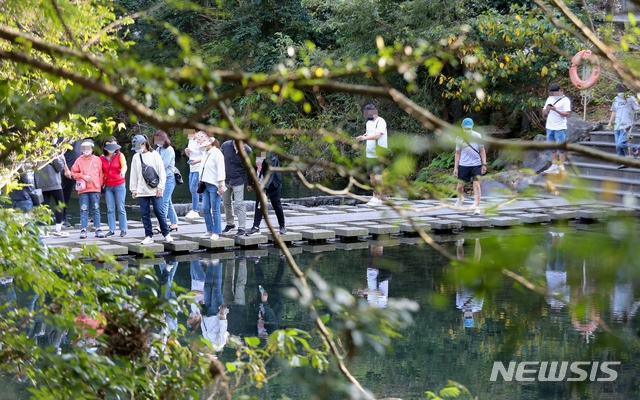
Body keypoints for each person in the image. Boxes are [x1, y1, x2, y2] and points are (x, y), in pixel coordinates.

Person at [129, 134, 174, 245]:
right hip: (142, 190)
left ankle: (166, 233)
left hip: (154, 189)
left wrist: (160, 187)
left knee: (159, 211)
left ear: (144, 144)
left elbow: (161, 172)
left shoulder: (155, 155)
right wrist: (133, 189)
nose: (137, 150)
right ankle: (148, 235)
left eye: (138, 146)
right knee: (145, 214)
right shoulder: (136, 157)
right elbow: (133, 174)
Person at [70, 140, 105, 239]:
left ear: (92, 149)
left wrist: (99, 186)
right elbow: (74, 173)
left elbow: (100, 174)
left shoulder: (98, 160)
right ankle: (83, 229)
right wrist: (82, 176)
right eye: (83, 149)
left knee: (96, 208)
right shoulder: (78, 160)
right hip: (83, 190)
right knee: (84, 209)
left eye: (88, 148)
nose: (86, 151)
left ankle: (98, 229)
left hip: (95, 189)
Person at [356, 104, 388, 206]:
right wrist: (363, 136)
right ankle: (375, 196)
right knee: (372, 176)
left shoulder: (381, 121)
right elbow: (368, 134)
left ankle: (379, 198)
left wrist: (364, 138)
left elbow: (378, 135)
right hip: (369, 153)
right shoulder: (368, 123)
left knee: (378, 176)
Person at [246, 152, 286, 235]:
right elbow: (251, 169)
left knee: (276, 203)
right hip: (260, 183)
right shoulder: (254, 154)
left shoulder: (271, 157)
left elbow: (269, 174)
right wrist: (250, 183)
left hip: (273, 183)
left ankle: (282, 226)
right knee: (259, 204)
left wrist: (263, 190)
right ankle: (256, 227)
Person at [196, 132, 226, 241]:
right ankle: (209, 230)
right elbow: (202, 168)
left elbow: (221, 170)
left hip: (215, 185)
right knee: (205, 208)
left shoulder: (217, 153)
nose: (203, 147)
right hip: (205, 184)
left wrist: (220, 185)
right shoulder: (205, 153)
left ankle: (216, 231)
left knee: (215, 209)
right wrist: (199, 183)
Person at [453, 118, 487, 215]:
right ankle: (460, 200)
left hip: (476, 164)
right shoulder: (459, 137)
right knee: (460, 186)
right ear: (462, 127)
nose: (467, 130)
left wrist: (484, 164)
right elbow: (457, 153)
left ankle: (477, 206)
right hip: (463, 164)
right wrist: (456, 167)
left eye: (469, 128)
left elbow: (482, 150)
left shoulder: (477, 136)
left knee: (476, 184)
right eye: (466, 128)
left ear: (472, 126)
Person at [221, 139, 252, 236]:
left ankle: (242, 227)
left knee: (239, 204)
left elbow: (250, 168)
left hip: (238, 179)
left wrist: (250, 183)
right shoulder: (225, 145)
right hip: (225, 179)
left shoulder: (248, 150)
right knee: (226, 203)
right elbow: (219, 161)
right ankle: (230, 224)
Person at [100, 137, 128, 237]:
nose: (112, 149)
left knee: (121, 207)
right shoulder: (101, 158)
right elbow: (100, 172)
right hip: (107, 186)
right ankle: (111, 229)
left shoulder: (120, 155)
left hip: (119, 184)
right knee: (110, 208)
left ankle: (123, 229)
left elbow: (124, 165)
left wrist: (122, 172)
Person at [607, 83, 640, 169]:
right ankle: (623, 162)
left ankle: (635, 148)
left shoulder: (631, 99)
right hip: (617, 124)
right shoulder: (616, 99)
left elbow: (637, 109)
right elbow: (614, 111)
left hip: (626, 125)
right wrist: (610, 122)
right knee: (618, 146)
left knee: (621, 144)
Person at [35, 154, 68, 237]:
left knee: (44, 206)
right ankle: (58, 229)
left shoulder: (37, 150)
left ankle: (43, 231)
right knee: (60, 204)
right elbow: (59, 167)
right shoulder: (54, 151)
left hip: (41, 183)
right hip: (54, 183)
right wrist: (59, 156)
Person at [152, 130, 179, 233]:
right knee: (168, 201)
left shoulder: (169, 150)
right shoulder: (158, 149)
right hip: (161, 178)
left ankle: (159, 225)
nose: (157, 142)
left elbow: (163, 164)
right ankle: (174, 223)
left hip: (169, 178)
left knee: (164, 202)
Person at [542, 83, 571, 174]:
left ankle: (561, 166)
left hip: (560, 127)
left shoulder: (565, 100)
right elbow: (544, 112)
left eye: (555, 92)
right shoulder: (549, 98)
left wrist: (555, 110)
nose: (554, 94)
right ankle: (554, 165)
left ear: (559, 90)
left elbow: (567, 114)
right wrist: (547, 109)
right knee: (552, 147)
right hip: (550, 126)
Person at [61, 140, 82, 227]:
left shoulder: (82, 135)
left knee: (84, 193)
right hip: (68, 171)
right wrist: (66, 169)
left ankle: (86, 216)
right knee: (65, 195)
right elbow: (60, 154)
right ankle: (62, 218)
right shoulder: (65, 136)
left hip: (80, 171)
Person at [185, 130, 204, 219]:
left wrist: (196, 161)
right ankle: (209, 201)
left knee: (194, 188)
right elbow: (190, 154)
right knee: (191, 189)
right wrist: (187, 151)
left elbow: (205, 156)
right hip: (191, 168)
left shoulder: (201, 140)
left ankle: (195, 210)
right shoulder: (191, 140)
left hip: (198, 168)